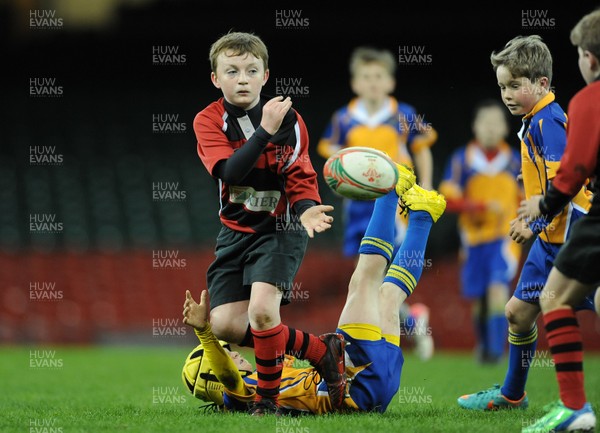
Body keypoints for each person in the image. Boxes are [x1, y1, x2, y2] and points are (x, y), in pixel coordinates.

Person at [181, 166, 447, 414]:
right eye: (227, 354)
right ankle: (390, 188)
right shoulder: (238, 396)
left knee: (389, 296)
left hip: (373, 391)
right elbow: (228, 374)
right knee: (364, 280)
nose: (234, 353)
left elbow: (275, 343)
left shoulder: (264, 377)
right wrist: (205, 334)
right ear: (210, 378)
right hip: (353, 379)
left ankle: (423, 215)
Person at [193, 31, 340, 414]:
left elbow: (300, 173)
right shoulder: (208, 121)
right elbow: (231, 171)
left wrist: (307, 207)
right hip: (234, 232)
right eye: (231, 71)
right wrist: (263, 132)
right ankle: (322, 350)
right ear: (215, 78)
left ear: (265, 75)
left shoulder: (290, 120)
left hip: (281, 229)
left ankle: (267, 402)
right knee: (224, 324)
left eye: (251, 70)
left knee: (261, 312)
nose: (242, 78)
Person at [457, 35, 595, 411]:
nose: (506, 94)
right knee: (518, 313)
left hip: (570, 236)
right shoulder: (535, 119)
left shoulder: (548, 122)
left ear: (542, 84)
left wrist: (533, 225)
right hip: (550, 239)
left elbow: (561, 187)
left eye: (515, 85)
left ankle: (573, 408)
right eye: (502, 86)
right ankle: (512, 395)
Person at [317, 46, 438, 360]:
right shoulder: (343, 117)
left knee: (381, 272)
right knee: (365, 273)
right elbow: (332, 155)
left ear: (390, 82)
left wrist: (425, 186)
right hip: (357, 205)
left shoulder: (405, 114)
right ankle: (406, 321)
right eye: (366, 77)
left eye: (378, 77)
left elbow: (422, 148)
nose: (372, 83)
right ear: (355, 83)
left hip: (394, 201)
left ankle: (377, 337)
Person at [516, 9, 600, 433]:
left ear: (590, 58)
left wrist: (541, 207)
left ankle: (576, 408)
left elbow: (575, 169)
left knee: (554, 299)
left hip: (590, 219)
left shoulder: (589, 100)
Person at [439, 99, 522, 364]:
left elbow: (528, 199)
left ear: (505, 128)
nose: (490, 128)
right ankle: (484, 346)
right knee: (479, 296)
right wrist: (481, 206)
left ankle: (497, 354)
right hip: (473, 239)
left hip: (504, 238)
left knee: (497, 288)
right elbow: (447, 200)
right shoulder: (461, 160)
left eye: (496, 122)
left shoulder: (516, 162)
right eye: (484, 122)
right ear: (475, 127)